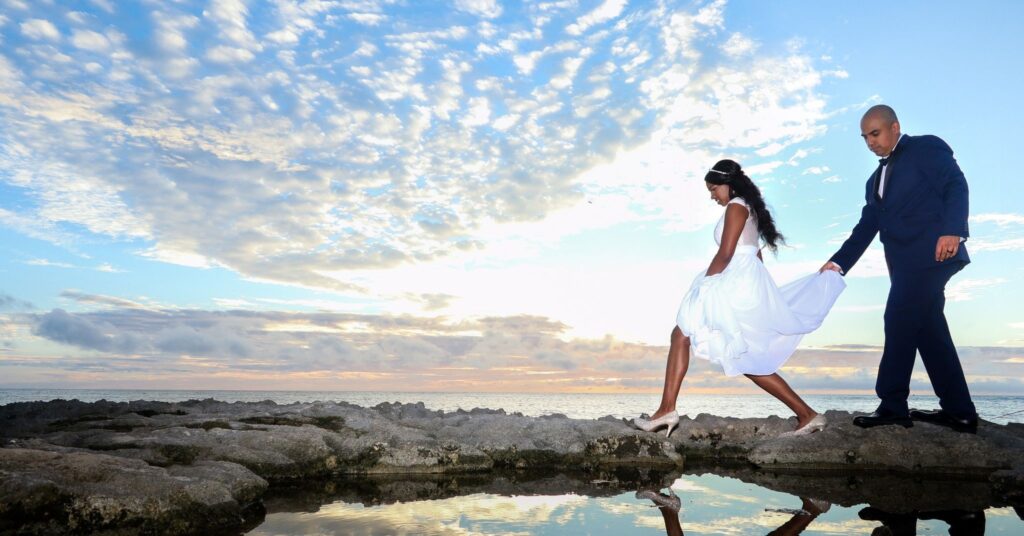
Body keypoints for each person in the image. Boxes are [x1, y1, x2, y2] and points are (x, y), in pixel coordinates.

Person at [632, 160, 845, 437]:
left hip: (730, 279)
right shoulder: (748, 208)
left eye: (714, 189)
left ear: (727, 184)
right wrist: (758, 292)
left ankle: (666, 410)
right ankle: (807, 415)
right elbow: (755, 254)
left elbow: (727, 252)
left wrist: (707, 285)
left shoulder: (736, 206)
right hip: (743, 281)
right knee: (744, 357)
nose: (712, 195)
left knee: (682, 332)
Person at [821, 105, 978, 433]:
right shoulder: (874, 180)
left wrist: (953, 229)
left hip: (934, 254)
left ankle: (893, 405)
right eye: (865, 137)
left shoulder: (925, 147)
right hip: (905, 267)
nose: (870, 142)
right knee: (930, 332)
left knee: (898, 318)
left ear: (895, 127)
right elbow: (867, 226)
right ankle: (960, 412)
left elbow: (955, 184)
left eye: (875, 133)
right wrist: (839, 262)